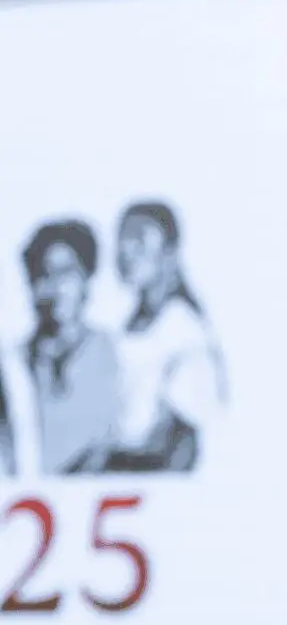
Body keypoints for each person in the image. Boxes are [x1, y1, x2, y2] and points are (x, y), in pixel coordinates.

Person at [91, 201, 226, 473]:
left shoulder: (183, 331)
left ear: (169, 252)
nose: (126, 251)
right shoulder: (127, 329)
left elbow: (181, 444)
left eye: (139, 240)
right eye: (122, 240)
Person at [20, 219, 123, 475]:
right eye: (43, 275)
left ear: (86, 278)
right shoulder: (14, 364)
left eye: (65, 273)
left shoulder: (115, 354)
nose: (55, 288)